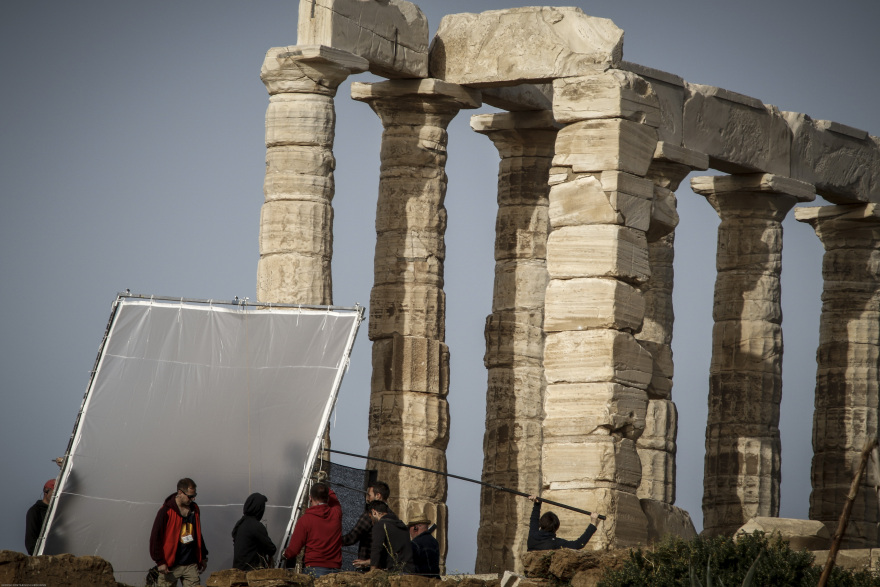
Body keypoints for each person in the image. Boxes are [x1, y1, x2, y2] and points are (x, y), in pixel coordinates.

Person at [149, 478, 209, 587]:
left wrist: (203, 556)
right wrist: (160, 562)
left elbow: (198, 534)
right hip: (170, 565)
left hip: (191, 564)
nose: (193, 498)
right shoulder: (165, 511)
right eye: (190, 496)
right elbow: (155, 537)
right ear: (180, 492)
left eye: (195, 495)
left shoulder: (194, 509)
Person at [282, 482, 342, 577]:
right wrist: (324, 486)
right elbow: (334, 500)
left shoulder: (305, 520)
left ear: (310, 498)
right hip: (335, 571)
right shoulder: (336, 514)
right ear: (327, 497)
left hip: (314, 569)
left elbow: (294, 550)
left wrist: (284, 554)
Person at [526, 494, 599, 551]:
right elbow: (579, 544)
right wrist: (593, 523)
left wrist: (537, 504)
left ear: (540, 524)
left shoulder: (533, 536)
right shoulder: (555, 543)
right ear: (557, 527)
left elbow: (534, 520)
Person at [345, 481, 391, 570]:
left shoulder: (370, 515)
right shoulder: (392, 516)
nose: (367, 499)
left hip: (367, 567)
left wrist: (332, 540)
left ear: (378, 496)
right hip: (385, 567)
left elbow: (352, 538)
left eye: (369, 495)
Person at [232, 492, 276, 571]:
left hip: (238, 570)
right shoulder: (256, 526)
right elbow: (271, 548)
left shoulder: (240, 524)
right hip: (250, 571)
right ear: (259, 509)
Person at [367, 501, 414, 572]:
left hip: (395, 571)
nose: (371, 521)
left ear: (374, 512)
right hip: (409, 570)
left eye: (370, 517)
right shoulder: (401, 524)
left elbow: (376, 548)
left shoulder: (380, 525)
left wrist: (372, 571)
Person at [24, 479, 55, 555]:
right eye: (54, 492)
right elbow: (30, 542)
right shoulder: (35, 511)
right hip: (43, 558)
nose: (56, 496)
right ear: (46, 491)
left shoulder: (59, 512)